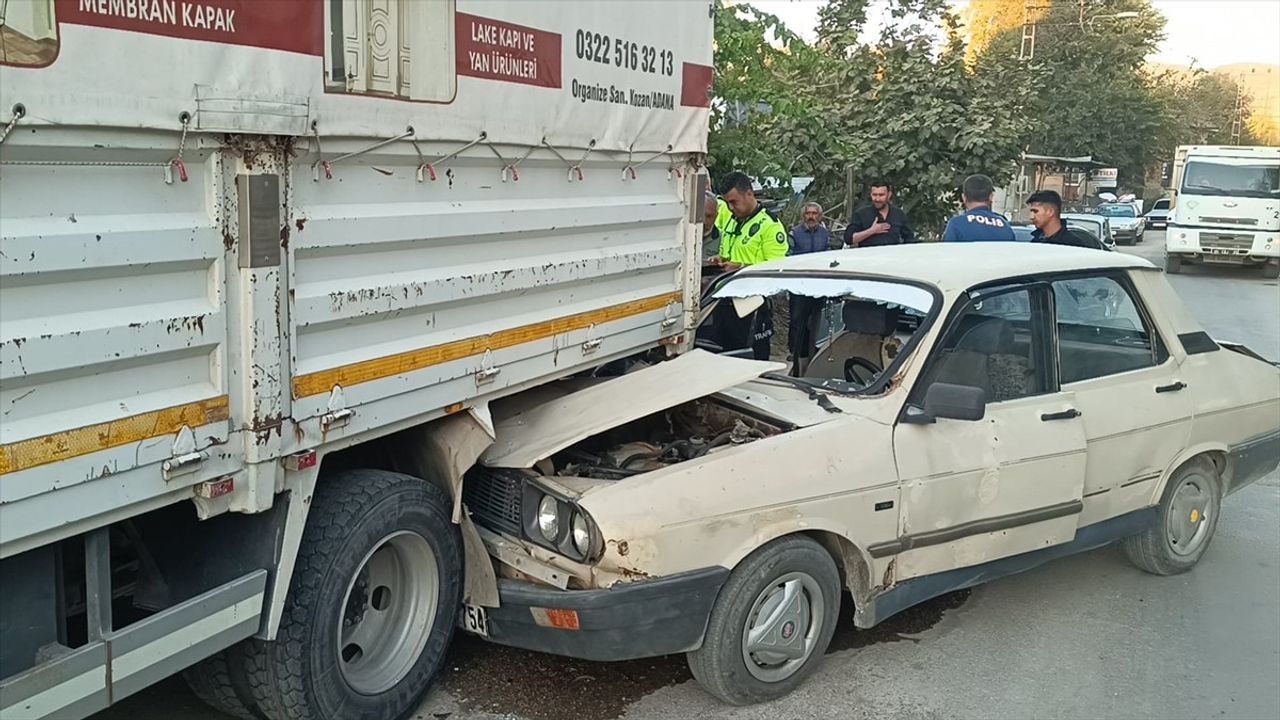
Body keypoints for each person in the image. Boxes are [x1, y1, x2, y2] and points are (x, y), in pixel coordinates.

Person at [702, 172, 788, 360]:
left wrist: (740, 267)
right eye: (728, 204)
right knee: (724, 358)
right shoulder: (734, 222)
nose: (731, 208)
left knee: (752, 362)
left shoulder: (769, 225)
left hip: (753, 308)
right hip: (725, 305)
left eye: (734, 202)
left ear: (749, 194)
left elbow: (778, 270)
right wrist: (720, 261)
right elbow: (730, 255)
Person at [942, 174, 1016, 242]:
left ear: (964, 197)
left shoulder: (956, 224)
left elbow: (948, 254)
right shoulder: (1005, 225)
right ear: (991, 197)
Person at [844, 181, 915, 248]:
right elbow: (849, 239)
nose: (877, 199)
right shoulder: (861, 214)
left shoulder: (898, 214)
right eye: (874, 195)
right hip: (868, 257)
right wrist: (871, 231)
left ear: (889, 195)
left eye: (881, 195)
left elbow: (909, 238)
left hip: (893, 257)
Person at [1026, 189, 1101, 249]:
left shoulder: (1072, 244)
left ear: (1050, 212)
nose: (1031, 217)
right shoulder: (1035, 242)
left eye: (1035, 211)